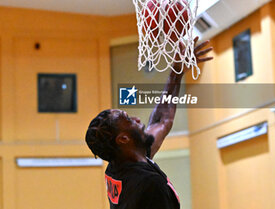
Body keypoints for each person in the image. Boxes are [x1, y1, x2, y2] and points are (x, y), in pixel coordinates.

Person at [85, 37, 213, 209]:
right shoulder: (149, 185)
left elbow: (162, 120)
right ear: (123, 139)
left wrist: (176, 72)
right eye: (129, 119)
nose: (137, 119)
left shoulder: (123, 160)